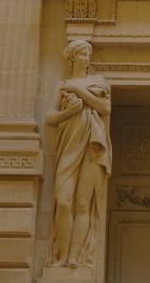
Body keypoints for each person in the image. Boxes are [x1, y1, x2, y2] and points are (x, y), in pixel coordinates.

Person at [44, 40, 112, 269]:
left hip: (92, 149)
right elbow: (50, 118)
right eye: (82, 53)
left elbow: (105, 108)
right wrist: (71, 111)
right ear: (72, 58)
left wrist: (77, 91)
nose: (86, 58)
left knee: (83, 204)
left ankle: (74, 256)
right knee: (63, 202)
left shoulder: (97, 82)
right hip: (69, 146)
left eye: (88, 54)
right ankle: (61, 256)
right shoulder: (62, 85)